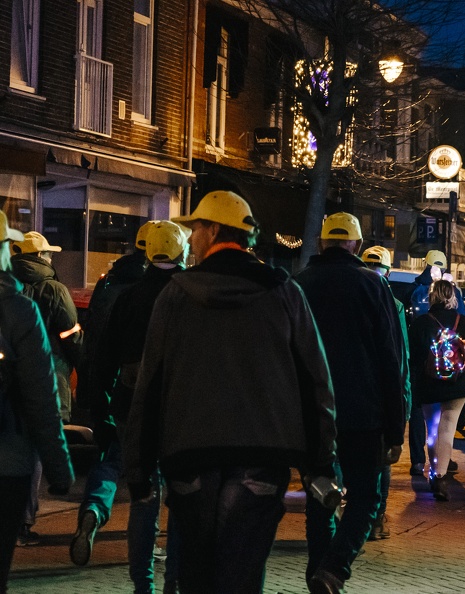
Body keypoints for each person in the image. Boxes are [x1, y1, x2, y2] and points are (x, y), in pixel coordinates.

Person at [124, 191, 337, 594]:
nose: (191, 239)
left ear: (214, 230)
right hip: (262, 459)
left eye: (196, 229)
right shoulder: (285, 293)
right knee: (241, 577)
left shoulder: (176, 295)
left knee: (197, 577)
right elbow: (315, 383)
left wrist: (139, 468)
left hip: (191, 458)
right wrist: (319, 464)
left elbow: (150, 386)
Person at [70, 222, 188, 593]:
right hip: (180, 407)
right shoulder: (190, 294)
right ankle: (175, 580)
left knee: (143, 495)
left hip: (131, 402)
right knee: (183, 498)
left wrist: (101, 404)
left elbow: (104, 355)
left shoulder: (127, 295)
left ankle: (143, 585)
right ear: (182, 252)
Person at [296, 212, 404, 594]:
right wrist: (396, 426)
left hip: (311, 412)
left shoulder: (299, 285)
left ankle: (318, 572)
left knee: (319, 495)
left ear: (323, 243)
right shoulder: (373, 287)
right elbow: (390, 359)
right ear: (356, 245)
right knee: (367, 497)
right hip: (363, 412)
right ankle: (332, 570)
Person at [0, 211, 74, 591]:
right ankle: (26, 525)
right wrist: (61, 468)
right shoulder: (20, 308)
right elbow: (40, 396)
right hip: (8, 453)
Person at [11, 231, 82, 545]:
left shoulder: (8, 287)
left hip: (7, 383)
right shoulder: (53, 289)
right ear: (39, 257)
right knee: (36, 454)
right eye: (48, 254)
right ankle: (22, 524)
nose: (52, 259)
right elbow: (72, 336)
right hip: (45, 378)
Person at [408, 280, 465, 501]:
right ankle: (440, 476)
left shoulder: (421, 322)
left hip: (429, 384)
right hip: (456, 386)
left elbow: (413, 356)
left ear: (432, 297)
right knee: (447, 430)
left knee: (432, 430)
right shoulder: (464, 322)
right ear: (453, 297)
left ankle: (432, 470)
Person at [76, 221, 156, 412]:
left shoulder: (109, 280)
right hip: (136, 383)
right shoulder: (156, 288)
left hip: (104, 381)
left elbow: (92, 330)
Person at [360, 245, 411, 540]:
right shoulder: (394, 306)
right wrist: (403, 402)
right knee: (382, 460)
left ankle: (356, 513)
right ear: (389, 273)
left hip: (351, 396)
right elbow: (400, 359)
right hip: (381, 398)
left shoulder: (347, 299)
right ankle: (376, 517)